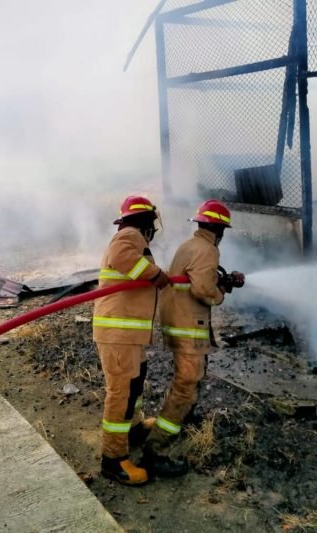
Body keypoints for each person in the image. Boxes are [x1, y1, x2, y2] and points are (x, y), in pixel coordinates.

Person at [140, 199, 244, 477]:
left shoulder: (189, 246)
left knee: (189, 380)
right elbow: (203, 291)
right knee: (186, 386)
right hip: (188, 328)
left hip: (178, 323)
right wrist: (220, 293)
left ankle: (184, 417)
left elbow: (196, 281)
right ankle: (155, 450)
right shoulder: (208, 250)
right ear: (220, 229)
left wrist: (220, 282)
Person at [93, 195, 170, 486]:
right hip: (118, 335)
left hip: (127, 335)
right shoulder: (129, 235)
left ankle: (134, 429)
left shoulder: (133, 236)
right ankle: (113, 460)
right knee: (121, 392)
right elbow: (122, 258)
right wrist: (155, 274)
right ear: (147, 221)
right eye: (152, 223)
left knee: (136, 382)